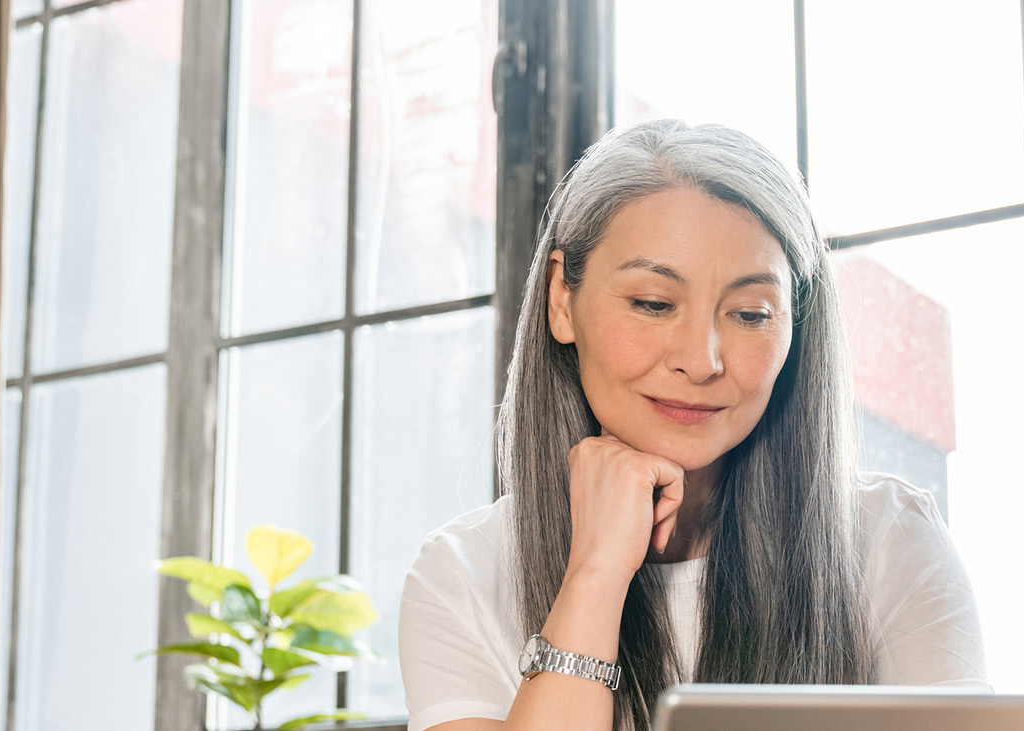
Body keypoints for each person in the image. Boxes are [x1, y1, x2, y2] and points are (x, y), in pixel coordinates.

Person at [398, 119, 987, 731]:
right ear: (561, 299)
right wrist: (595, 573)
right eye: (653, 304)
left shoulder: (887, 540)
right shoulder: (460, 576)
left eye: (750, 314)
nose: (701, 361)